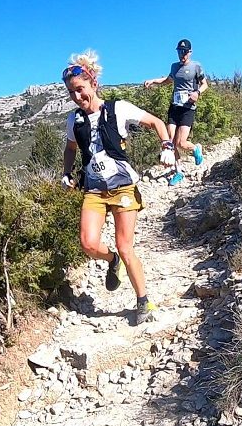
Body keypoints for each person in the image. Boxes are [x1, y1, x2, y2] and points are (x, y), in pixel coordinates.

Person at [60, 50, 174, 325]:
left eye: (80, 89)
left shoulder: (118, 108)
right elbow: (71, 146)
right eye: (71, 93)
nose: (77, 97)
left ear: (93, 84)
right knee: (88, 243)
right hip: (94, 190)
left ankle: (143, 300)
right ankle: (111, 261)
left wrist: (167, 146)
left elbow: (156, 122)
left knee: (125, 245)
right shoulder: (73, 120)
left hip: (123, 187)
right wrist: (66, 172)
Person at [144, 38, 208, 186]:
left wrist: (197, 92)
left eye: (185, 52)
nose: (182, 55)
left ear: (190, 52)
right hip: (175, 107)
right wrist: (153, 80)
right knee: (170, 142)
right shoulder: (174, 67)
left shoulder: (196, 66)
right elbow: (168, 80)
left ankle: (195, 148)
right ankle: (179, 172)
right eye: (180, 52)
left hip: (188, 108)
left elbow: (205, 84)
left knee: (182, 142)